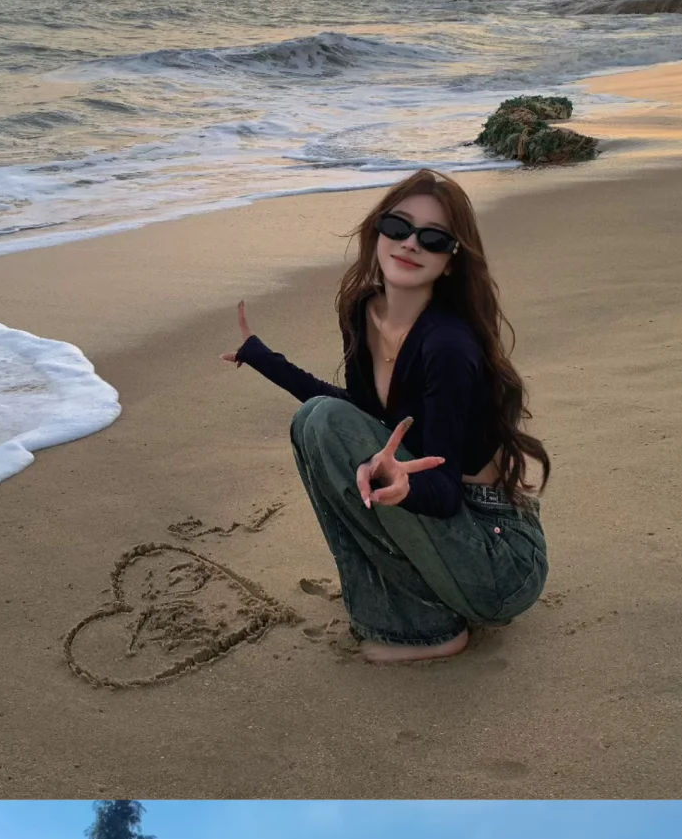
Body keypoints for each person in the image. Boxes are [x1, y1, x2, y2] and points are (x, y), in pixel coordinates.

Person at [222, 170, 550, 662]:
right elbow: (354, 412)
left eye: (433, 238)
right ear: (377, 231)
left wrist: (404, 483)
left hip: (497, 556)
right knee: (313, 421)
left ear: (451, 260)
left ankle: (430, 630)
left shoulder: (447, 345)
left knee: (324, 422)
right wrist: (263, 359)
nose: (410, 243)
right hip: (451, 536)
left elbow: (443, 492)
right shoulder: (364, 311)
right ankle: (407, 611)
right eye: (398, 226)